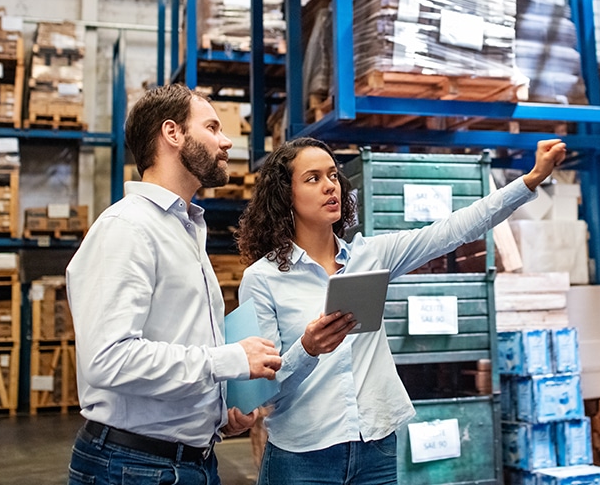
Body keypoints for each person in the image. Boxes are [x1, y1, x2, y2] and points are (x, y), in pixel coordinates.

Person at [235, 137, 567, 485]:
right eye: (313, 178)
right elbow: (263, 390)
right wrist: (308, 349)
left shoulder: (371, 256)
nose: (330, 186)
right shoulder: (263, 279)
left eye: (333, 175)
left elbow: (454, 229)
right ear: (285, 195)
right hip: (302, 458)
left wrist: (531, 179)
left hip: (375, 449)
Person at [66, 84, 282, 485]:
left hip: (189, 461)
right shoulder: (127, 228)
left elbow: (179, 340)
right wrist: (230, 360)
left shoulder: (185, 228)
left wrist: (217, 413)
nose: (226, 140)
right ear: (173, 133)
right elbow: (108, 359)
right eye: (213, 127)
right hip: (134, 467)